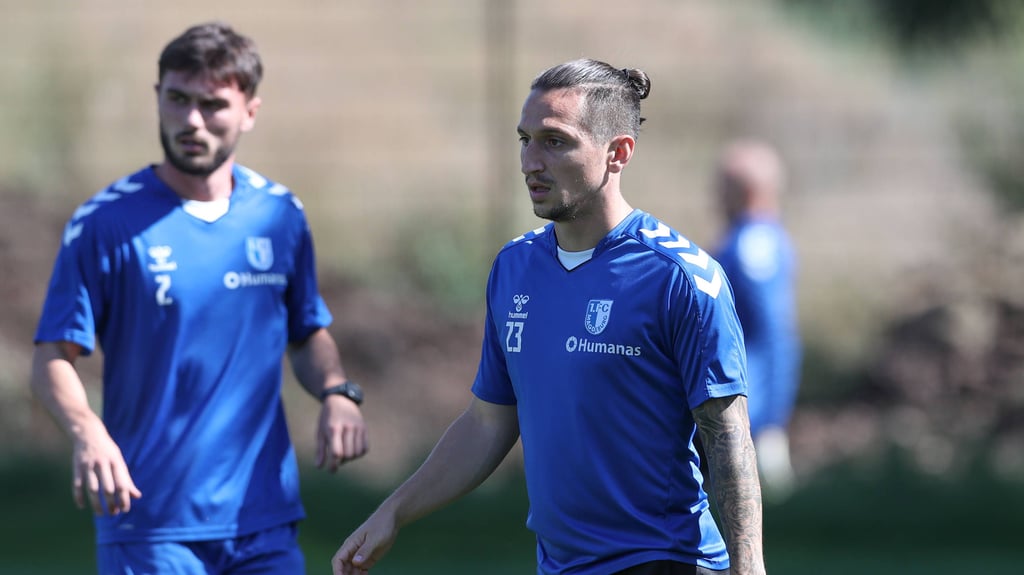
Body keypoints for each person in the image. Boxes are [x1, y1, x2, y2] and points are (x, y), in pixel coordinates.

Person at [333, 59, 765, 575]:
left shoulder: (678, 277)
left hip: (662, 560)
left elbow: (727, 434)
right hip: (560, 565)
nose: (529, 161)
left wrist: (749, 566)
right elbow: (488, 421)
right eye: (525, 139)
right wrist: (393, 513)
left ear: (617, 153)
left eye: (554, 142)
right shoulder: (514, 268)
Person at [30, 22, 368, 574]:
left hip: (262, 519)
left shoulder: (280, 214)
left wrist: (337, 392)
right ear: (157, 98)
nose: (191, 121)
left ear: (249, 112)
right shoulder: (105, 222)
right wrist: (88, 433)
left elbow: (305, 332)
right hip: (150, 521)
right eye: (177, 99)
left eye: (212, 105)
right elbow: (51, 357)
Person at [712, 139, 801, 497]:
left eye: (723, 189)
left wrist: (768, 409)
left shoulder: (755, 242)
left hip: (747, 396)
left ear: (746, 192)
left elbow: (773, 329)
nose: (716, 198)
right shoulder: (753, 238)